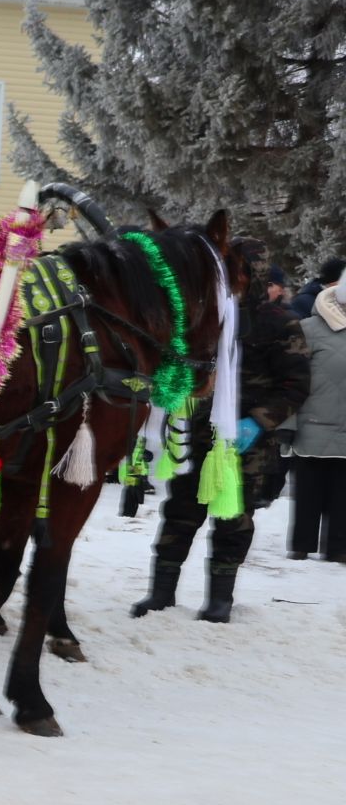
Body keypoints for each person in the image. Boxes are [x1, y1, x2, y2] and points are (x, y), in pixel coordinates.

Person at [132, 237, 310, 621]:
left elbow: (296, 386)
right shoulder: (208, 314)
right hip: (197, 433)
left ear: (256, 274)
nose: (234, 279)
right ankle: (160, 592)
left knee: (234, 518)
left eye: (241, 271)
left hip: (248, 442)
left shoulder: (279, 322)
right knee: (179, 511)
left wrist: (257, 423)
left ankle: (220, 599)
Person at [288, 272, 346, 561]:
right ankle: (302, 544)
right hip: (313, 428)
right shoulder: (309, 329)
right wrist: (285, 424)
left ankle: (339, 548)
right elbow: (290, 380)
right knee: (309, 493)